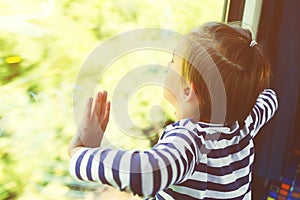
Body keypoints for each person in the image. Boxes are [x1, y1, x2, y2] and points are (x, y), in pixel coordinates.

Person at [68, 22, 278, 199]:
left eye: (173, 59)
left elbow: (145, 176)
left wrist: (80, 153)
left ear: (187, 90)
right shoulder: (244, 125)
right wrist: (244, 93)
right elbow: (270, 98)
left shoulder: (191, 141)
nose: (168, 64)